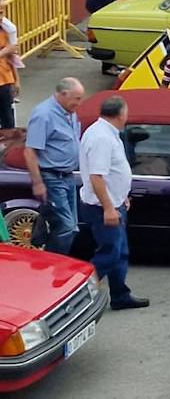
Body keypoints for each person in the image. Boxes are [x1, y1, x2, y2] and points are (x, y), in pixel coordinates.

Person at [77, 94, 149, 311]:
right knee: (109, 254)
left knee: (120, 252)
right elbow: (96, 176)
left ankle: (120, 295)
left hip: (113, 203)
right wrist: (109, 207)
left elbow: (111, 173)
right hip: (102, 208)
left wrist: (120, 195)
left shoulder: (107, 132)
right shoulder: (101, 138)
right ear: (122, 114)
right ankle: (78, 296)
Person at [25, 78, 84, 255]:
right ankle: (53, 265)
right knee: (66, 227)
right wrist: (37, 183)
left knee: (70, 225)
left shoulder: (69, 112)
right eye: (77, 99)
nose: (79, 103)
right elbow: (30, 151)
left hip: (68, 176)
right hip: (52, 177)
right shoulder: (43, 115)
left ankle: (50, 257)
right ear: (63, 94)